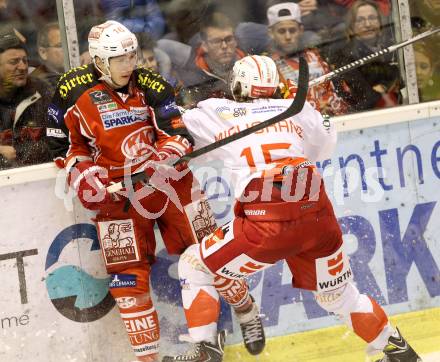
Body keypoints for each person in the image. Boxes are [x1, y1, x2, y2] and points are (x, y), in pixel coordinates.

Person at [162, 55, 422, 362]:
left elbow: (174, 130)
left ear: (237, 85)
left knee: (195, 264)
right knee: (338, 296)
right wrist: (302, 115)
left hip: (268, 218)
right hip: (316, 213)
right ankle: (398, 350)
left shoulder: (215, 111)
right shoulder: (297, 108)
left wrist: (165, 101)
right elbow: (323, 147)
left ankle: (204, 349)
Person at [46, 20, 218, 362]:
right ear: (98, 61)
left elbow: (179, 132)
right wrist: (84, 175)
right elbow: (62, 146)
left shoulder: (151, 83)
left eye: (131, 56)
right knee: (128, 279)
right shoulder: (71, 90)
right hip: (117, 197)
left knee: (208, 253)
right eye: (119, 59)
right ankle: (148, 359)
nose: (129, 65)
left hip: (171, 185)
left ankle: (227, 326)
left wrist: (163, 157)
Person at [266, 2, 348, 116]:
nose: (288, 36)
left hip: (338, 118)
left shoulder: (317, 54)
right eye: (281, 31)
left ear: (301, 30)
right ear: (271, 33)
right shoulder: (267, 66)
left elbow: (340, 88)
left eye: (292, 30)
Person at [326, 0, 402, 111]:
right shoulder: (346, 57)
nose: (367, 24)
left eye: (372, 18)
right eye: (360, 20)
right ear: (351, 28)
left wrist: (385, 86)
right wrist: (392, 86)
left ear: (381, 23)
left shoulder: (392, 45)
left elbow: (399, 74)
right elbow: (367, 98)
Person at [0, 26, 51, 170]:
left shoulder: (40, 92)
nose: (22, 67)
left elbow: (58, 142)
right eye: (13, 62)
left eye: (24, 60)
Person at [176, 12, 246, 107]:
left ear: (236, 40)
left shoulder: (252, 64)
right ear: (204, 46)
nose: (224, 46)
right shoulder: (190, 79)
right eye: (216, 41)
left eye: (229, 39)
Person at [31, 22, 64, 94]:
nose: (69, 49)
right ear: (43, 52)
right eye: (60, 45)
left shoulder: (81, 68)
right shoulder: (35, 83)